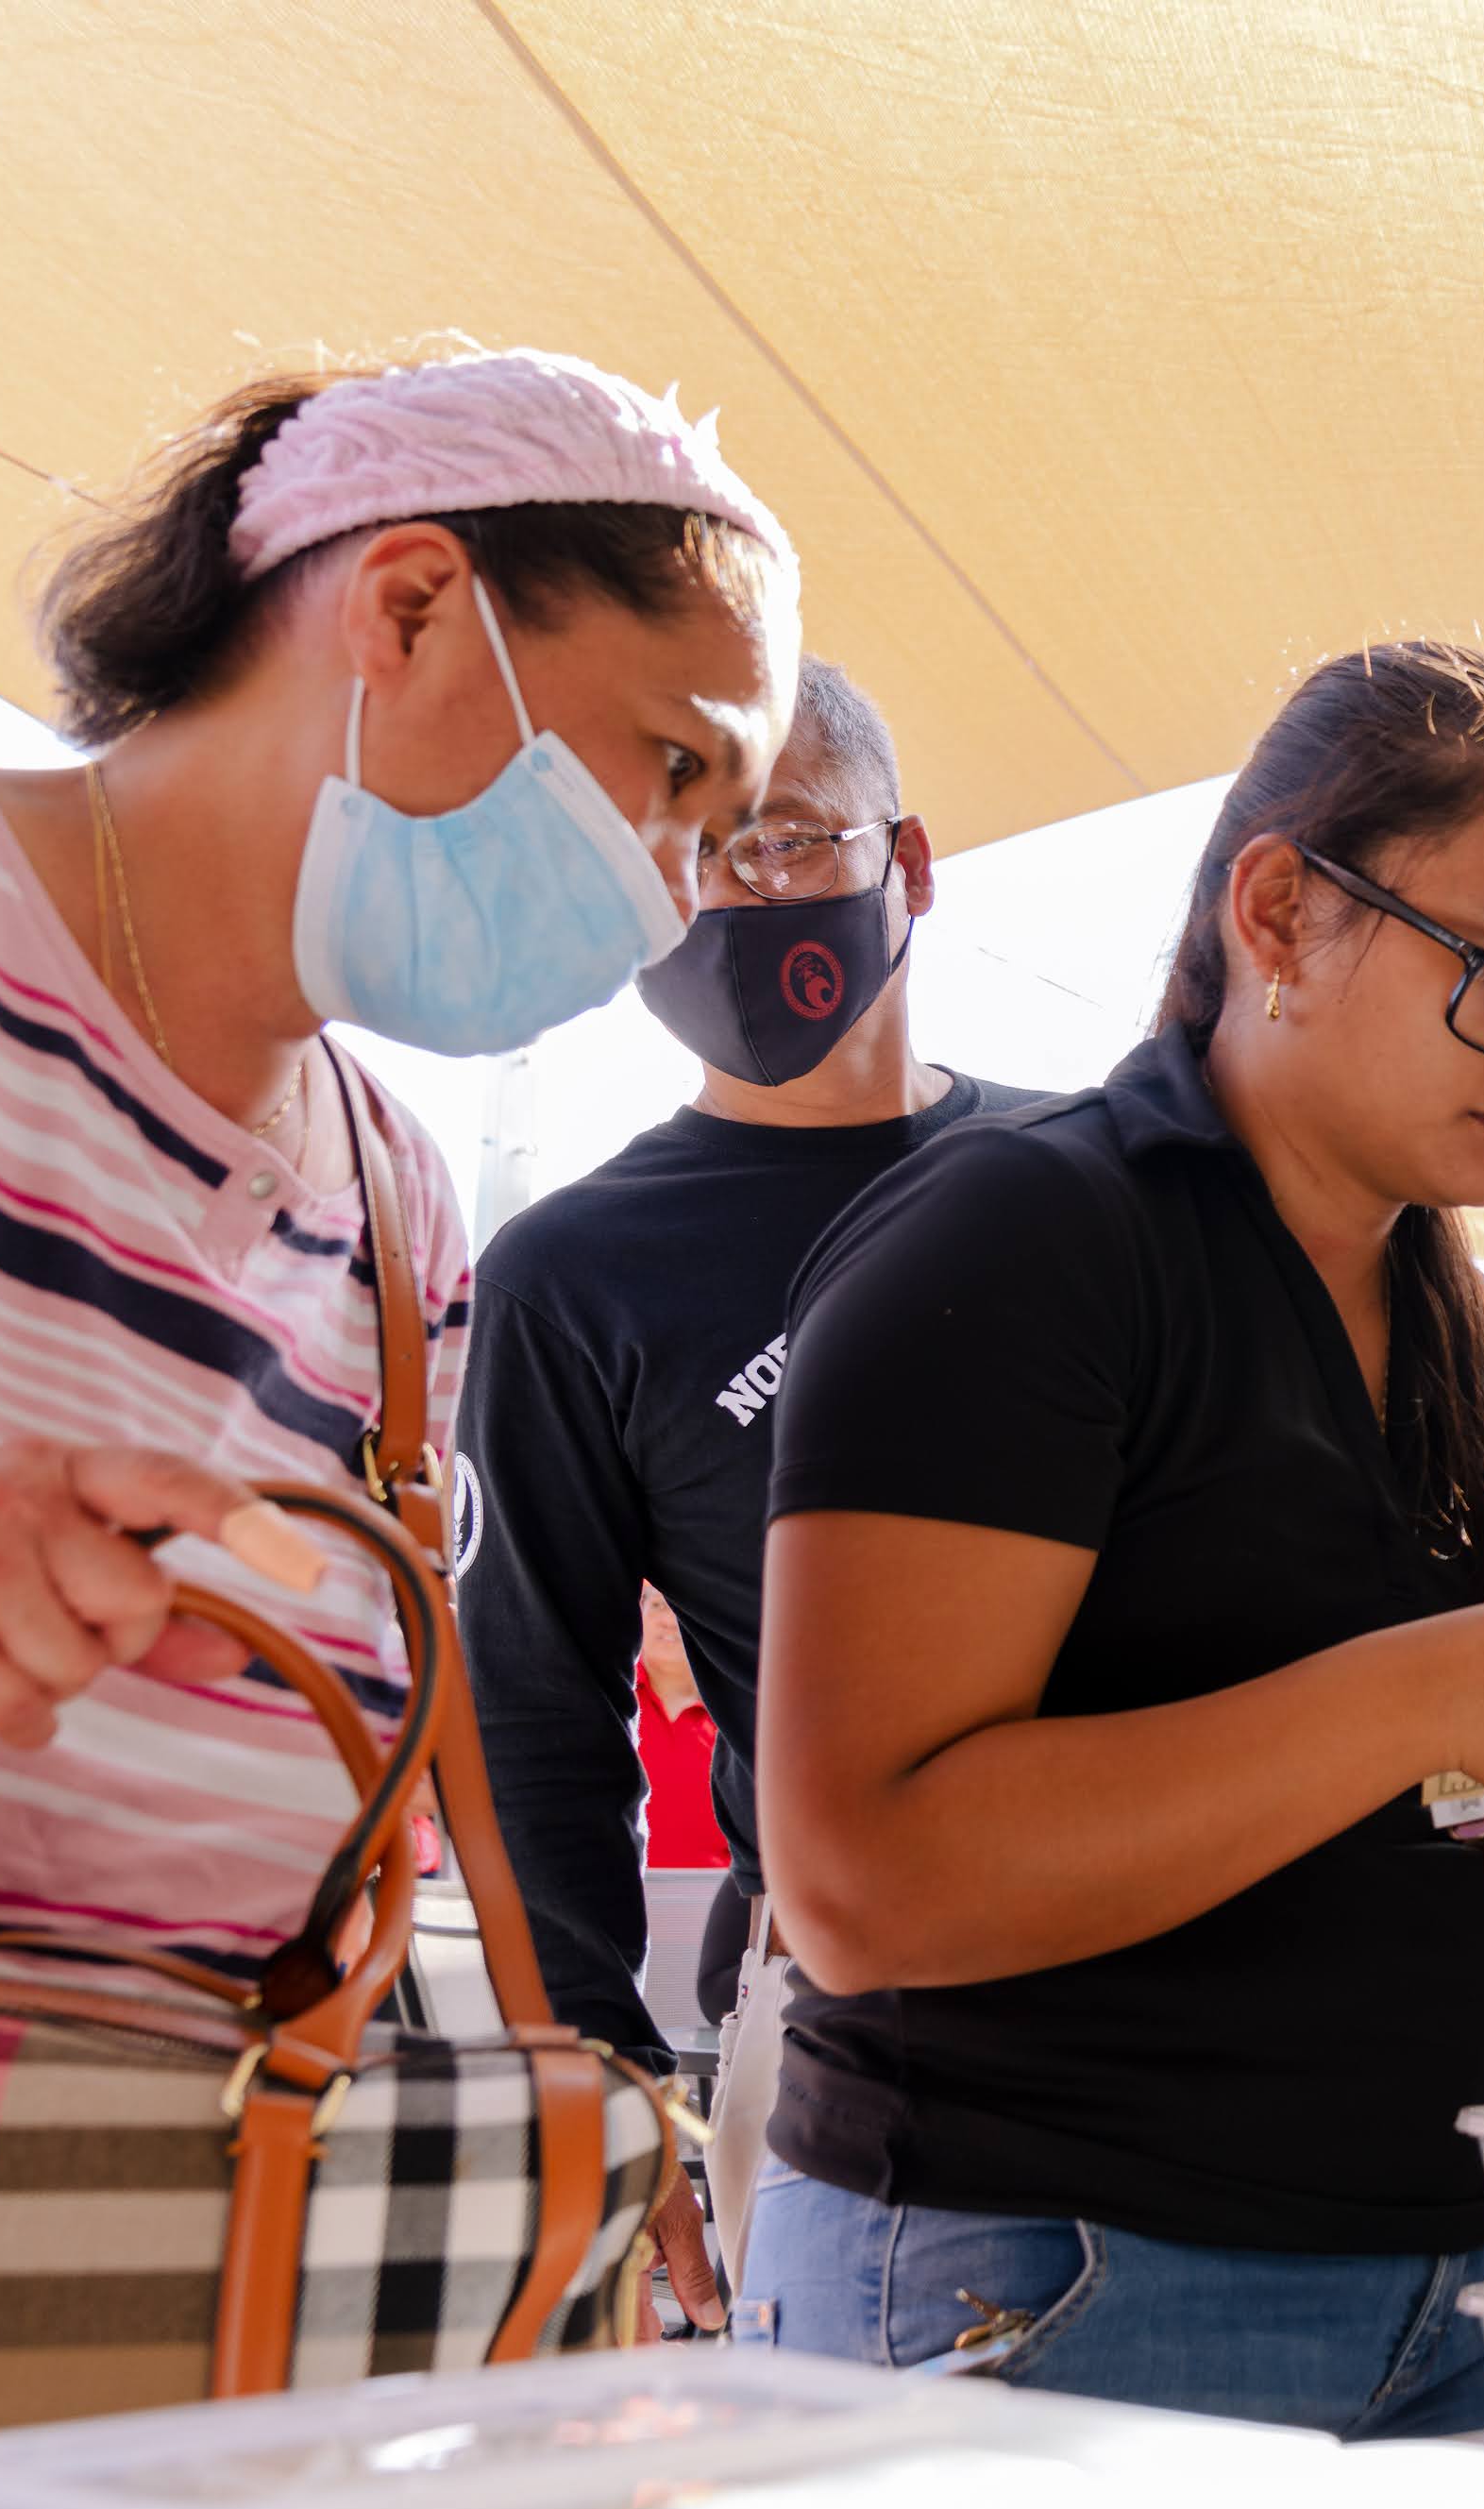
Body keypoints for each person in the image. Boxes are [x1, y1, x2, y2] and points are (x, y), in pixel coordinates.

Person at [0, 351, 783, 2038]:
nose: (679, 898)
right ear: (406, 610)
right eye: (678, 774)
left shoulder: (402, 1214)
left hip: (148, 2233)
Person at [744, 641, 1484, 2433]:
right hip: (1051, 2266)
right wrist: (1429, 1691)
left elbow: (1474, 1880)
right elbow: (854, 1882)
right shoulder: (1024, 1240)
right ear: (1283, 913)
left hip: (1446, 2268)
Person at [451, 655, 1036, 2284]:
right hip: (866, 2026)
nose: (726, 895)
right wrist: (591, 2072)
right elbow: (527, 1709)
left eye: (779, 841)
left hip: (1215, 1962)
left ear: (905, 867)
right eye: (676, 855)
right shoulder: (572, 1274)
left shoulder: (1103, 1172)